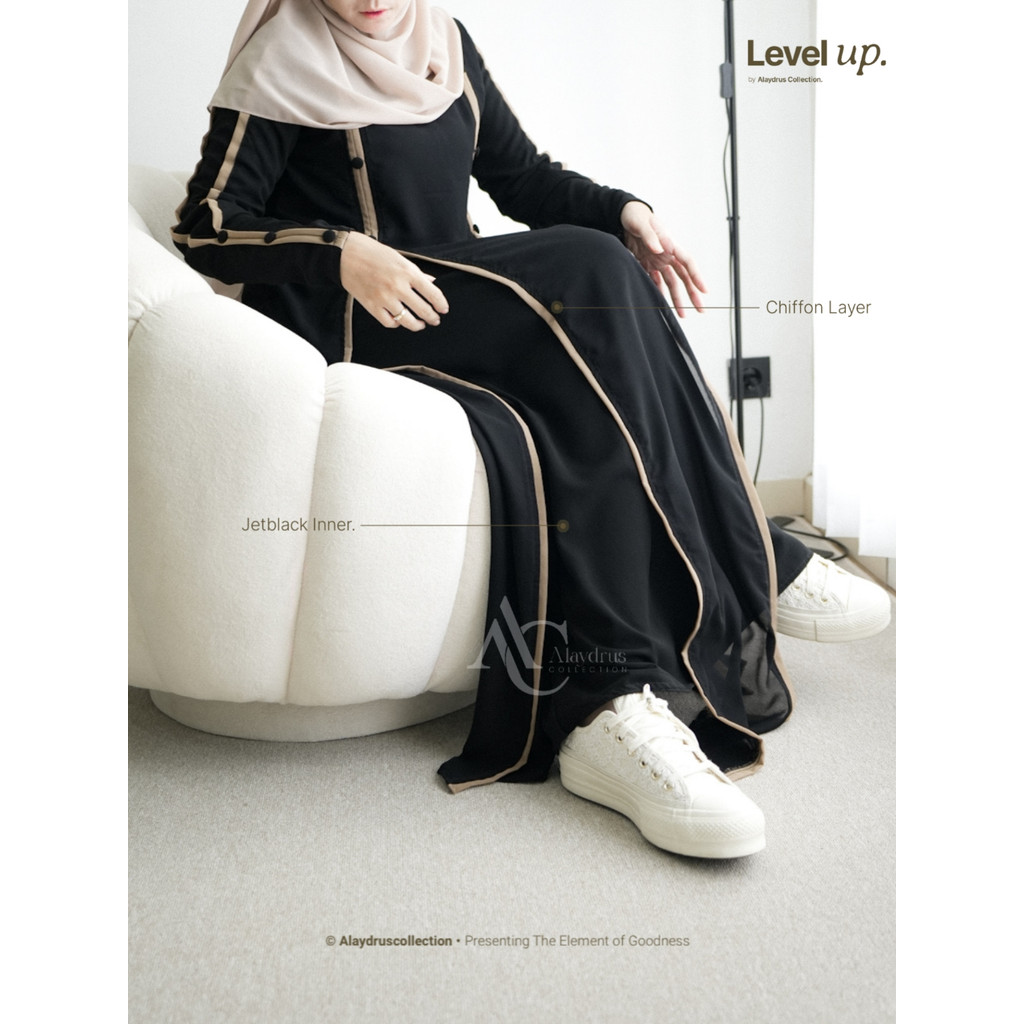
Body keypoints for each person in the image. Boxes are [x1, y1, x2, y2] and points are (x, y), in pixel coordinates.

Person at [173, 0, 891, 859]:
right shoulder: (279, 61)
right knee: (585, 269)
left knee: (607, 273)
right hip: (360, 316)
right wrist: (339, 251)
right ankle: (738, 566)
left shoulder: (443, 42)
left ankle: (618, 687)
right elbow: (205, 226)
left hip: (457, 293)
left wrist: (623, 209)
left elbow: (520, 177)